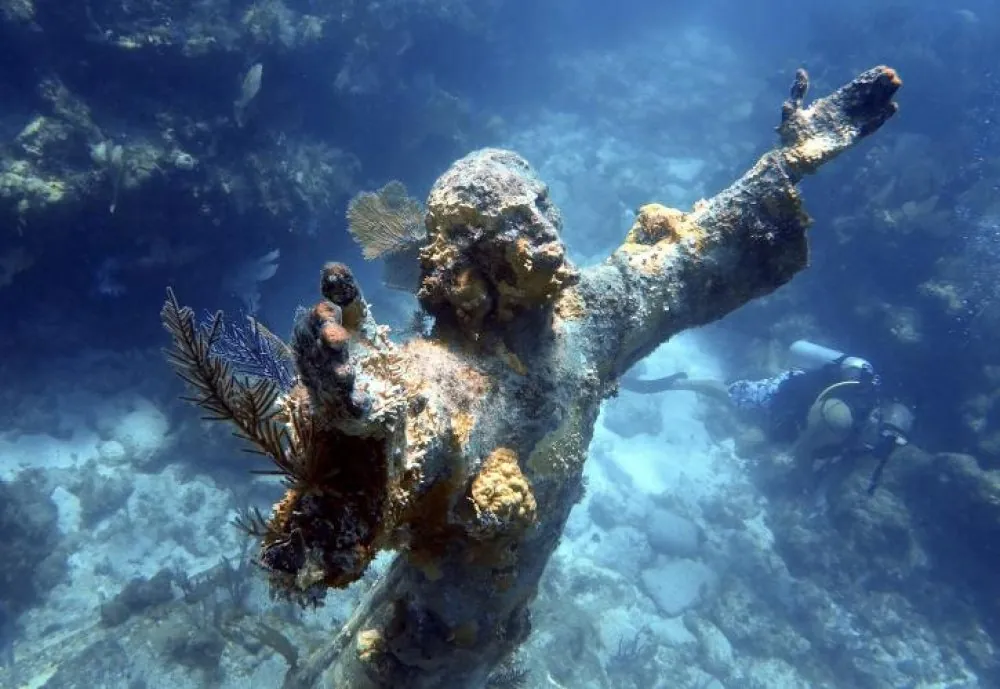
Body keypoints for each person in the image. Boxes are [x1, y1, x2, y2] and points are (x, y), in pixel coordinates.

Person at [621, 340, 913, 494]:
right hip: (780, 400)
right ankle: (681, 381)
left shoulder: (869, 390)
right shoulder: (842, 422)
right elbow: (801, 452)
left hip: (797, 389)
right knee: (731, 397)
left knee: (757, 423)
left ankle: (772, 364)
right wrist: (808, 486)